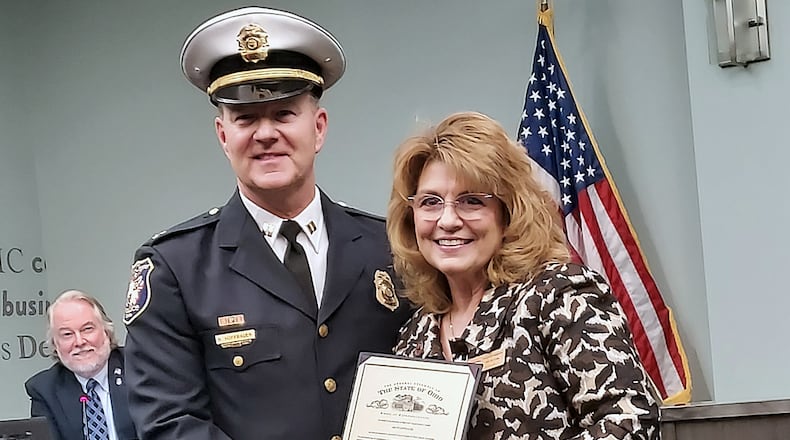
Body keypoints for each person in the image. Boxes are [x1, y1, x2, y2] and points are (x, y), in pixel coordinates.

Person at [122, 7, 410, 440]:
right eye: (246, 118)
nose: (265, 133)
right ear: (223, 135)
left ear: (319, 128)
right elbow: (169, 423)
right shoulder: (175, 268)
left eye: (283, 114)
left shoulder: (389, 247)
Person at [389, 112, 660, 439]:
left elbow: (629, 423)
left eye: (471, 201)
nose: (447, 220)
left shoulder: (560, 296)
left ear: (508, 212)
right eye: (430, 202)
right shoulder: (415, 332)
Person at [24, 290, 137, 440]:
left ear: (106, 332)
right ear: (55, 344)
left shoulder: (139, 368)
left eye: (87, 329)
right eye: (67, 334)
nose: (79, 342)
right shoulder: (44, 390)